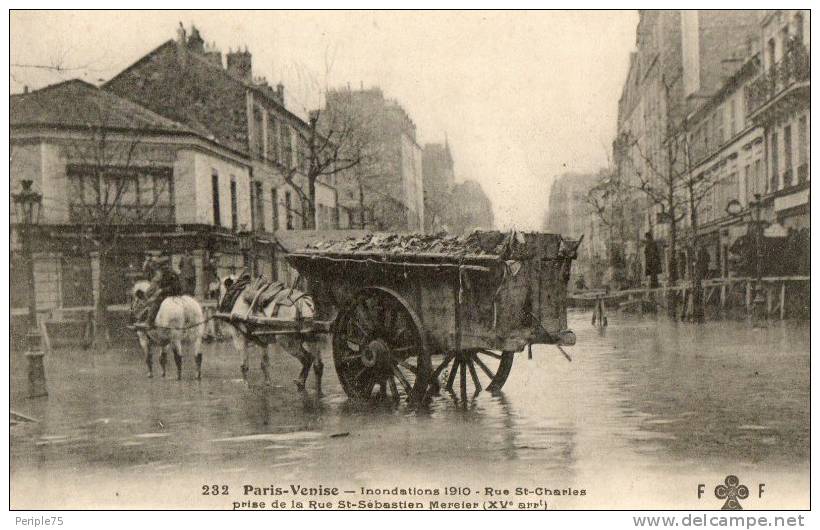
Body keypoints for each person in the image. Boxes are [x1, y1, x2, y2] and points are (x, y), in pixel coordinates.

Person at [136, 255, 183, 327]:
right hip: (171, 294)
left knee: (156, 303)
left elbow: (176, 287)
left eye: (160, 267)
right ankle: (143, 319)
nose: (160, 269)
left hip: (171, 294)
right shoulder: (167, 273)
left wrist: (162, 290)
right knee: (151, 301)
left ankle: (149, 322)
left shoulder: (169, 274)